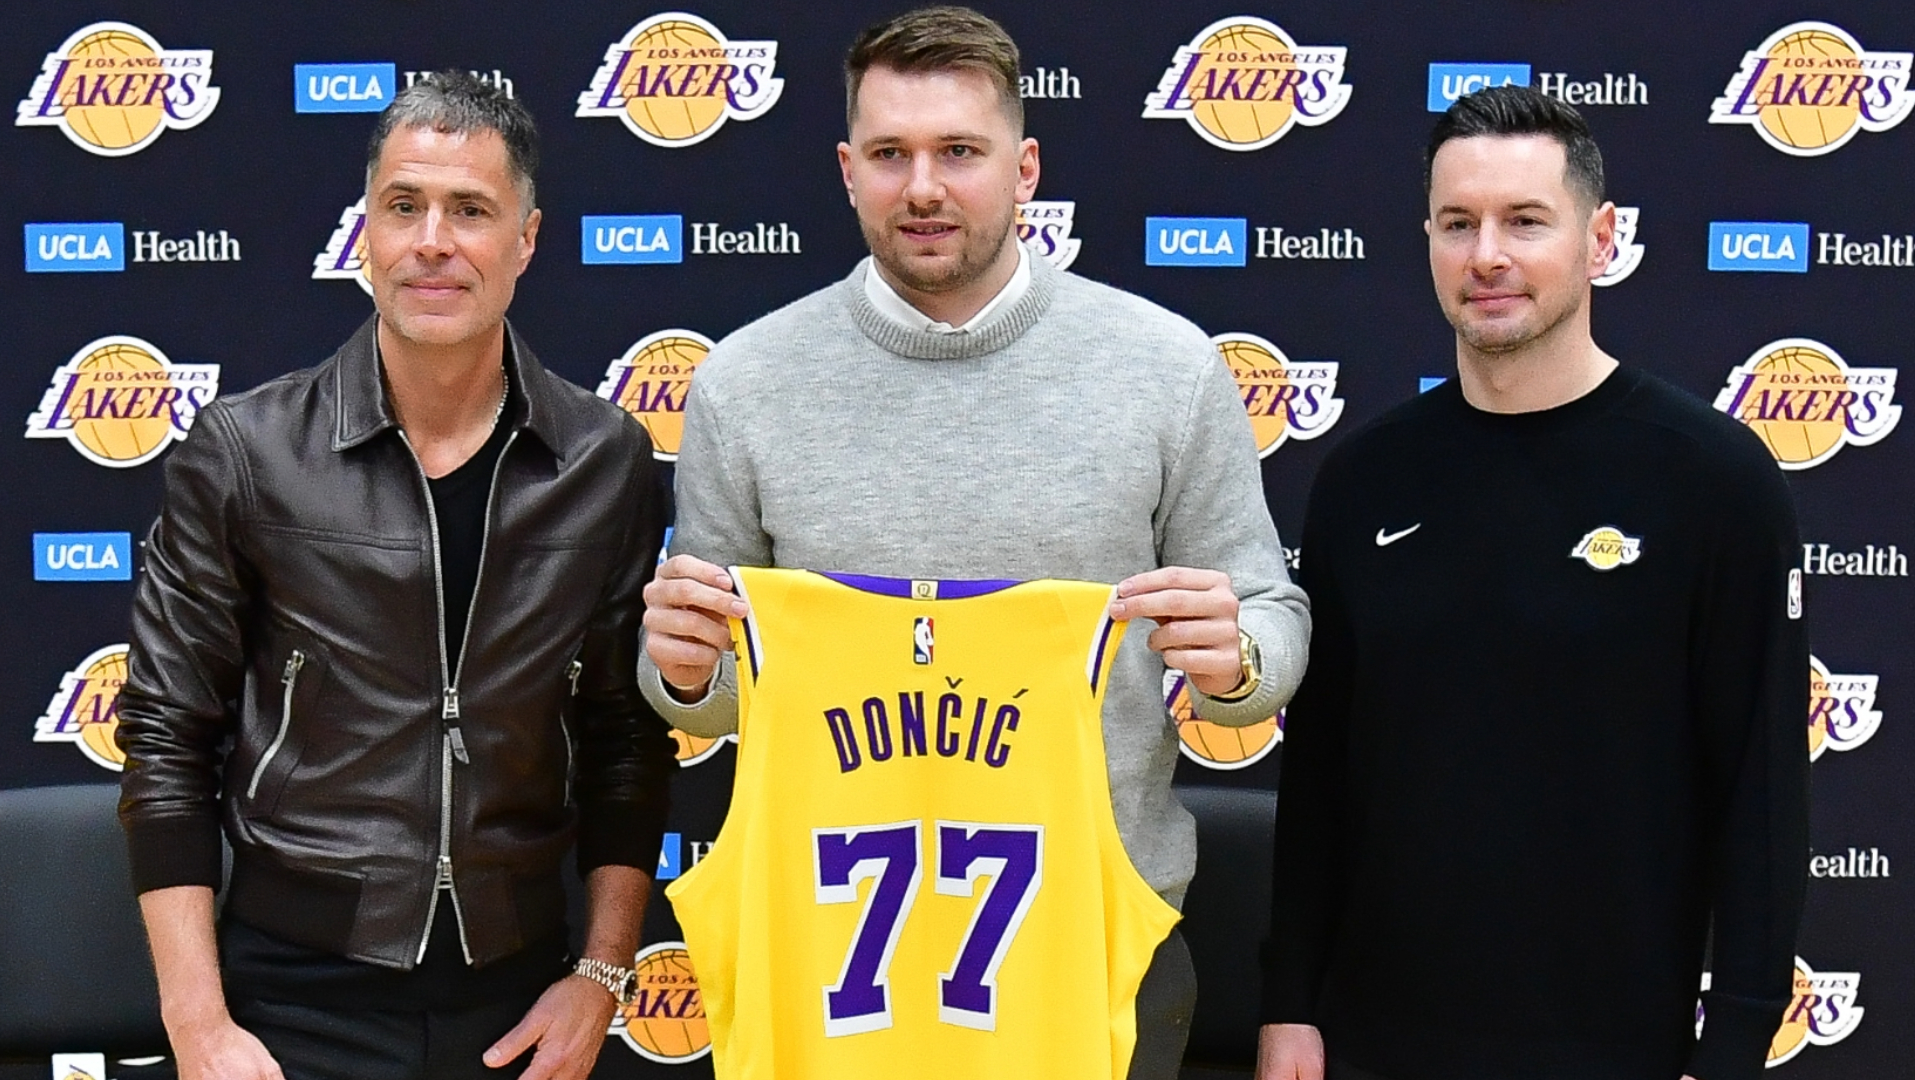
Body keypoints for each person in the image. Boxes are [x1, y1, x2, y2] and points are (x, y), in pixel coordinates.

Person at [638, 7, 1309, 1077]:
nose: (924, 188)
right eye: (890, 155)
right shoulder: (746, 384)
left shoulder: (1166, 368)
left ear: (1024, 168)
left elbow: (1268, 616)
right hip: (830, 963)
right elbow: (717, 684)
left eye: (959, 151)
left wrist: (1238, 662)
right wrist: (679, 671)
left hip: (1094, 947)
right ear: (848, 171)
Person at [116, 73, 676, 1080]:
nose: (432, 241)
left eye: (471, 211)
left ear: (526, 241)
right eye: (403, 206)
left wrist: (601, 974)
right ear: (365, 231)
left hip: (518, 999)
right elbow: (166, 738)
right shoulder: (246, 452)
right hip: (290, 1002)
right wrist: (198, 1025)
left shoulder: (604, 460)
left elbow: (625, 738)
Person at [1256, 85, 1807, 1080]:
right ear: (1428, 240)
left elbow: (1761, 794)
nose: (1487, 256)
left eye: (1525, 221)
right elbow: (1320, 773)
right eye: (1457, 223)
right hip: (1375, 1041)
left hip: (1617, 1045)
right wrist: (1288, 1002)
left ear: (1600, 240)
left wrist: (1731, 1045)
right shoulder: (1361, 478)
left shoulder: (1714, 478)